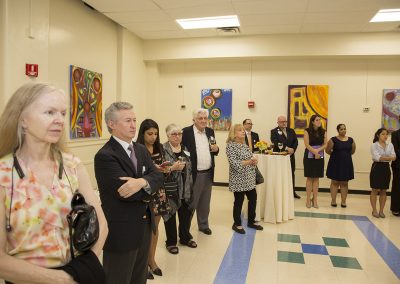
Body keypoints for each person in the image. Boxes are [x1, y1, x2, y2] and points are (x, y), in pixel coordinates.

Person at [0, 82, 108, 284]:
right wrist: (60, 279)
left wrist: (84, 268)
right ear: (22, 119)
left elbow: (101, 223)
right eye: (49, 112)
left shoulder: (72, 166)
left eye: (63, 113)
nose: (59, 120)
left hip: (77, 273)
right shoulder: (4, 175)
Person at [94, 102, 163, 284]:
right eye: (127, 121)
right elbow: (126, 194)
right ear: (112, 124)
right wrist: (149, 185)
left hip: (144, 226)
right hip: (121, 232)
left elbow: (158, 176)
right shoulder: (105, 156)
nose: (134, 125)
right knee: (118, 278)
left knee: (139, 278)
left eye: (134, 120)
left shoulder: (140, 149)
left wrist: (141, 181)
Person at [136, 119, 167, 280]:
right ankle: (141, 265)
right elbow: (136, 173)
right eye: (150, 134)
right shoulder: (137, 149)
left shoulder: (159, 148)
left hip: (159, 193)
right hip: (144, 193)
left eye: (156, 133)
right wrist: (154, 171)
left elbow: (163, 170)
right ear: (142, 133)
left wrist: (167, 168)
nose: (153, 137)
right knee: (143, 231)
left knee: (155, 229)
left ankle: (151, 260)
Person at [182, 108, 219, 235]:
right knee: (191, 202)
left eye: (205, 118)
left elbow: (214, 148)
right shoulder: (186, 132)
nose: (203, 121)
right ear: (194, 120)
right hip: (194, 174)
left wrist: (217, 149)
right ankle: (185, 230)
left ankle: (203, 225)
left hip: (208, 172)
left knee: (205, 202)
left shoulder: (210, 131)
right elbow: (182, 151)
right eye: (200, 118)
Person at [163, 124, 197, 253]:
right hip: (170, 189)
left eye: (179, 134)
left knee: (185, 214)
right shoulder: (162, 149)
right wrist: (172, 168)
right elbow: (158, 169)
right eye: (174, 134)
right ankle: (171, 242)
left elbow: (190, 166)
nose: (177, 136)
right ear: (168, 135)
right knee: (170, 215)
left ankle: (185, 237)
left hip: (186, 188)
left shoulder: (185, 148)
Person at [226, 124, 263, 234]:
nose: (243, 132)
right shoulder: (230, 146)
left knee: (253, 199)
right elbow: (234, 163)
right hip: (238, 179)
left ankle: (251, 221)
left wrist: (254, 160)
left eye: (243, 130)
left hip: (249, 178)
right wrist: (249, 162)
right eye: (240, 130)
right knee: (239, 201)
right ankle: (237, 224)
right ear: (234, 133)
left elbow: (250, 157)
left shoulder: (245, 145)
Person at [325, 124, 356, 207]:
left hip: (346, 163)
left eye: (344, 129)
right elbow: (327, 150)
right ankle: (333, 201)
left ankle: (343, 202)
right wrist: (336, 155)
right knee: (334, 182)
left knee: (344, 183)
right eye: (341, 129)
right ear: (338, 130)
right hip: (335, 163)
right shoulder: (333, 139)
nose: (343, 130)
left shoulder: (351, 140)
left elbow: (352, 151)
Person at [270, 115, 300, 199]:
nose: (284, 123)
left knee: (291, 174)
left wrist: (293, 149)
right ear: (278, 122)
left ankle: (292, 192)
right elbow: (275, 142)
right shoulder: (274, 131)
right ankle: (280, 193)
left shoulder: (291, 131)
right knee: (279, 175)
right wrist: (287, 149)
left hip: (290, 156)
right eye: (282, 122)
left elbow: (295, 141)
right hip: (279, 156)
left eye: (285, 121)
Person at [370, 128, 396, 218]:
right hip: (376, 167)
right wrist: (387, 158)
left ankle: (381, 211)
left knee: (384, 190)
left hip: (386, 168)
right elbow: (378, 158)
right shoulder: (374, 145)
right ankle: (374, 210)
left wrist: (384, 157)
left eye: (387, 134)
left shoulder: (390, 145)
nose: (385, 136)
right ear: (378, 135)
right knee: (375, 189)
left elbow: (394, 157)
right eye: (383, 134)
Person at [303, 115, 327, 209]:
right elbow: (307, 144)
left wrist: (318, 151)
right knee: (309, 178)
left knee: (316, 178)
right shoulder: (307, 130)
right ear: (312, 122)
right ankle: (308, 199)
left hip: (319, 155)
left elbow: (325, 144)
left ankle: (315, 199)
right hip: (309, 155)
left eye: (319, 120)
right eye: (317, 120)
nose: (319, 121)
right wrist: (314, 152)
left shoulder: (323, 131)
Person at [390, 122, 400, 216]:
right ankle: (395, 208)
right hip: (398, 164)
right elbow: (396, 150)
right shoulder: (395, 134)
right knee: (397, 186)